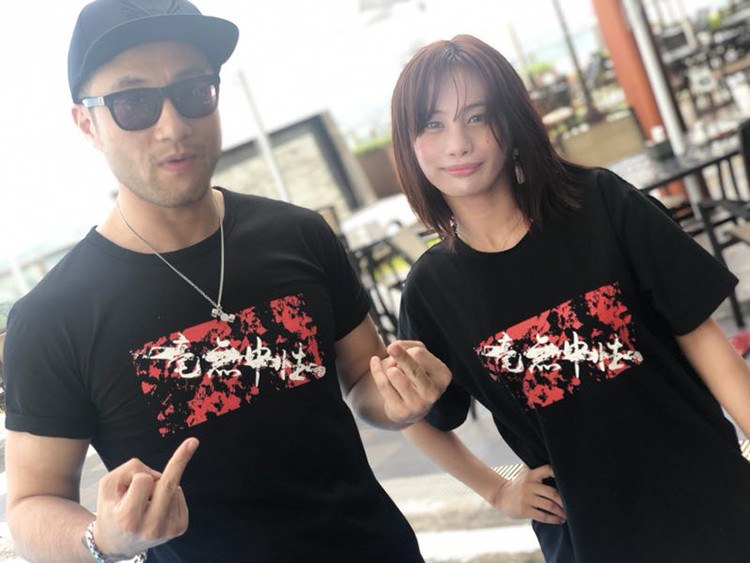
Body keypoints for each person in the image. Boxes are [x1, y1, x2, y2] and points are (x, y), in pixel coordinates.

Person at [2, 1, 452, 561]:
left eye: (193, 90)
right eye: (133, 103)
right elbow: (31, 504)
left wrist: (401, 398)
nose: (173, 126)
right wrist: (104, 538)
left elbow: (364, 376)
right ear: (87, 123)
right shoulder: (52, 319)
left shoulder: (299, 234)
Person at [384, 34, 750, 562]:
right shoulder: (431, 290)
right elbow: (413, 415)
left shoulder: (601, 204)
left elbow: (703, 339)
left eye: (477, 117)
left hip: (714, 506)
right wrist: (497, 489)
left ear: (510, 122)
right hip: (589, 540)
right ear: (409, 143)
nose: (457, 144)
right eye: (432, 124)